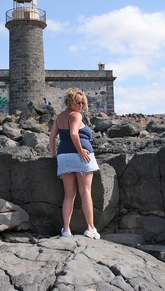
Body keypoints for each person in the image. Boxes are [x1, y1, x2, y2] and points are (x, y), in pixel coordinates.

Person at [49, 88, 100, 239]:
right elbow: (73, 133)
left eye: (83, 103)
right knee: (85, 192)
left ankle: (66, 230)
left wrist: (54, 156)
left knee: (69, 195)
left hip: (64, 157)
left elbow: (51, 137)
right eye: (78, 102)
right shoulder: (76, 115)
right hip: (80, 157)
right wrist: (79, 150)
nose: (81, 105)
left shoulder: (59, 117)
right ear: (70, 102)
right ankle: (90, 228)